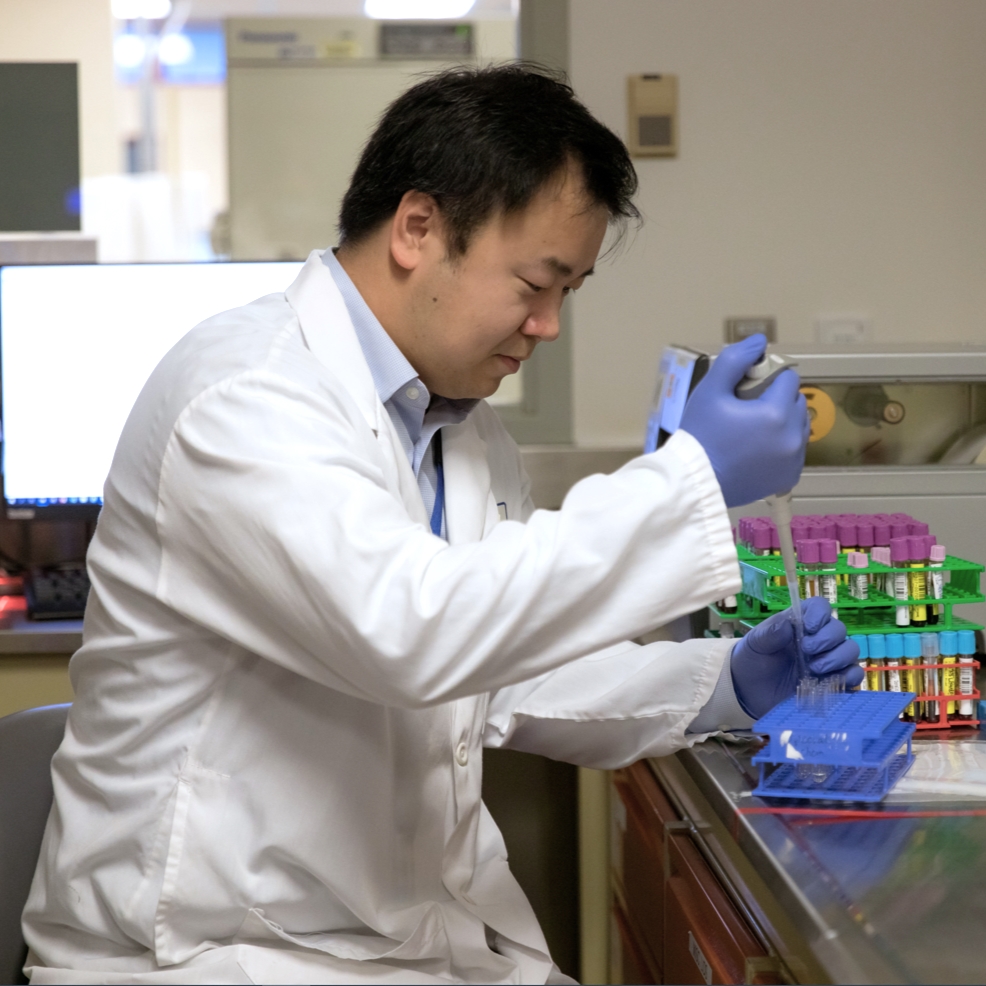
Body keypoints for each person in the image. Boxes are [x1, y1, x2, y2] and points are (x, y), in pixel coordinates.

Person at [23, 66, 860, 985]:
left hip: (380, 943)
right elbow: (413, 630)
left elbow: (493, 672)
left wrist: (719, 683)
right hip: (209, 955)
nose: (546, 327)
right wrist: (688, 477)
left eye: (568, 294)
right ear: (418, 228)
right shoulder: (245, 398)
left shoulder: (455, 425)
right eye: (536, 283)